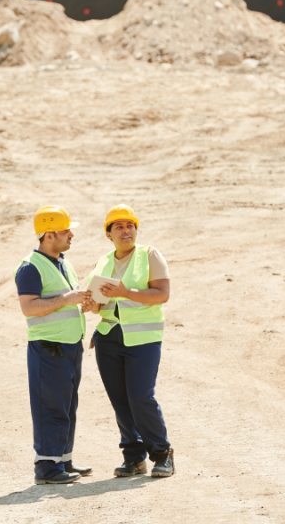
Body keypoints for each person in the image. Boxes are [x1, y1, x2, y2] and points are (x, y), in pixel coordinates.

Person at [87, 204, 174, 478]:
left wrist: (125, 293)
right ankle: (133, 457)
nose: (126, 231)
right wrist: (90, 304)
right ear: (108, 234)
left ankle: (162, 453)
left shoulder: (150, 255)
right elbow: (99, 304)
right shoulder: (103, 262)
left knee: (140, 397)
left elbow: (162, 294)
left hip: (143, 339)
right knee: (120, 401)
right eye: (119, 227)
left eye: (130, 226)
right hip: (108, 338)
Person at [14, 205, 96, 485]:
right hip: (49, 348)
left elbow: (63, 301)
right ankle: (47, 467)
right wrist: (66, 300)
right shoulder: (30, 267)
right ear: (49, 235)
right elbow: (29, 308)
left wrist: (81, 303)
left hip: (70, 346)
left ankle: (63, 460)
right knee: (50, 406)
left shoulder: (63, 262)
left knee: (66, 406)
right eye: (65, 231)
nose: (71, 234)